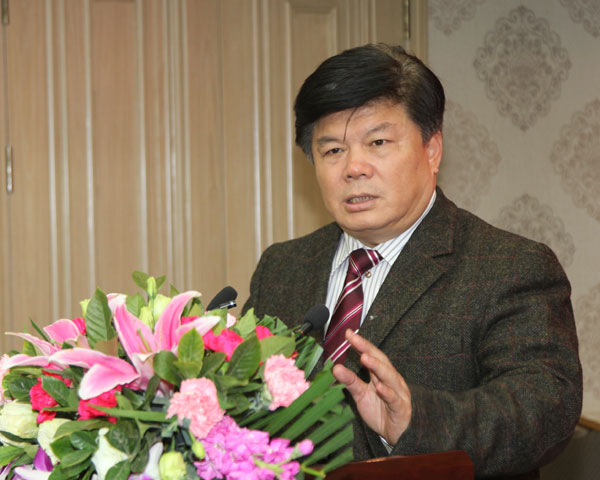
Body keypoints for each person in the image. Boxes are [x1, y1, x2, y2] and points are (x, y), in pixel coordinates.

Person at [243, 44, 582, 479]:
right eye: (333, 151)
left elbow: (543, 409)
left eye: (378, 143)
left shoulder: (510, 266)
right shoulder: (282, 267)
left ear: (432, 149)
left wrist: (415, 420)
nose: (354, 168)